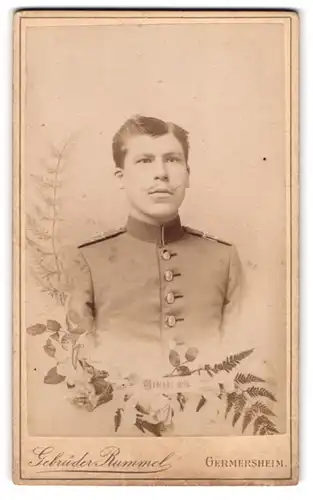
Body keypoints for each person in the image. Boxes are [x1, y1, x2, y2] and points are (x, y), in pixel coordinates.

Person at [64, 115, 243, 374]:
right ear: (120, 177)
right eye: (145, 161)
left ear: (188, 175)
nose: (161, 173)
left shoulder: (224, 259)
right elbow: (80, 366)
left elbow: (242, 358)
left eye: (172, 159)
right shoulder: (90, 260)